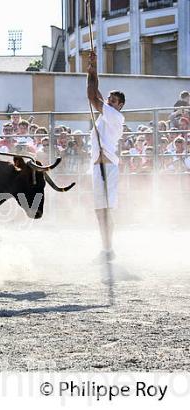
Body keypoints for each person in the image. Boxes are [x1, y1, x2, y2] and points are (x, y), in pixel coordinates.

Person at [87, 51, 125, 263]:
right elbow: (94, 94)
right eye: (109, 99)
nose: (109, 102)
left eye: (114, 100)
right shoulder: (106, 114)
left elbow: (93, 97)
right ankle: (106, 249)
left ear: (120, 105)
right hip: (97, 166)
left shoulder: (115, 116)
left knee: (107, 210)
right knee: (99, 210)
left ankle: (109, 249)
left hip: (108, 168)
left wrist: (93, 70)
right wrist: (92, 69)